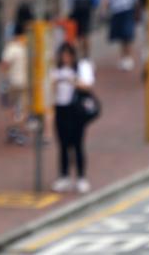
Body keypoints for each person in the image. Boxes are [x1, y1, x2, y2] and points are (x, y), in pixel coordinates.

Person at [51, 43, 95, 194]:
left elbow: (88, 86)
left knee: (77, 144)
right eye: (63, 55)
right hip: (60, 109)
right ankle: (64, 176)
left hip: (76, 111)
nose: (65, 58)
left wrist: (72, 80)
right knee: (63, 144)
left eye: (68, 55)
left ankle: (81, 177)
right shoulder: (55, 70)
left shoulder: (81, 67)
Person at [0, 4, 32, 145]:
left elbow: (4, 64)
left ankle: (14, 129)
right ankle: (20, 130)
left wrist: (4, 78)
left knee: (12, 107)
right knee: (23, 107)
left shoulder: (12, 46)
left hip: (13, 81)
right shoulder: (28, 45)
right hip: (26, 81)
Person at [101, 0, 140, 71]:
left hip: (128, 9)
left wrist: (138, 9)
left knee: (128, 35)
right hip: (116, 10)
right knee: (121, 36)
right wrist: (104, 8)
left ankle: (128, 57)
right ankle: (123, 57)